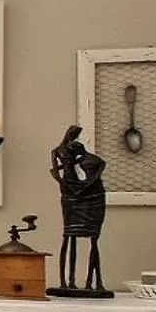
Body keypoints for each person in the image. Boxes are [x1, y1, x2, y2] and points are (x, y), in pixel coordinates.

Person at [49, 125, 110, 296]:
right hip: (70, 191)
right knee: (69, 235)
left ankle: (93, 282)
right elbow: (55, 171)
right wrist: (62, 182)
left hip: (88, 193)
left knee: (92, 238)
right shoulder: (57, 151)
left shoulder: (83, 155)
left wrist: (86, 184)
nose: (74, 137)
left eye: (76, 135)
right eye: (74, 134)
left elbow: (98, 167)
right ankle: (67, 281)